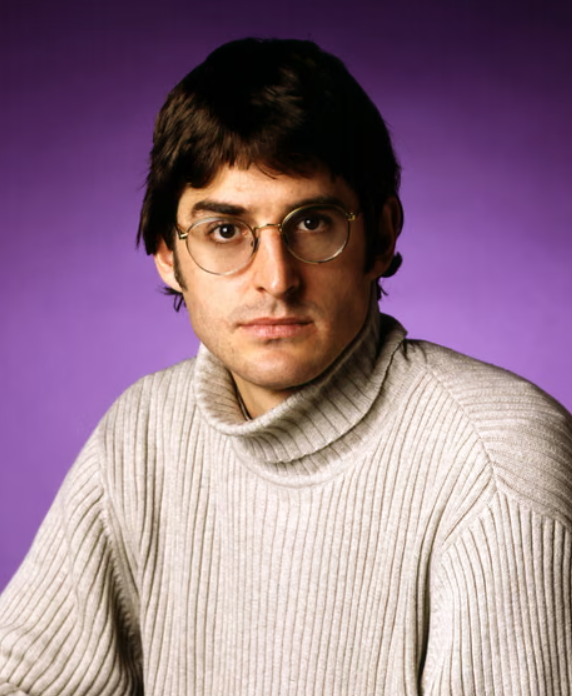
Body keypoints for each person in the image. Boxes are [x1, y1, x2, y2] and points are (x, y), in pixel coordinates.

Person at [1, 37, 571, 696]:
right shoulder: (142, 434)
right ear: (167, 256)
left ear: (382, 235)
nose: (276, 279)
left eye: (313, 223)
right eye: (225, 231)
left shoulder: (496, 462)